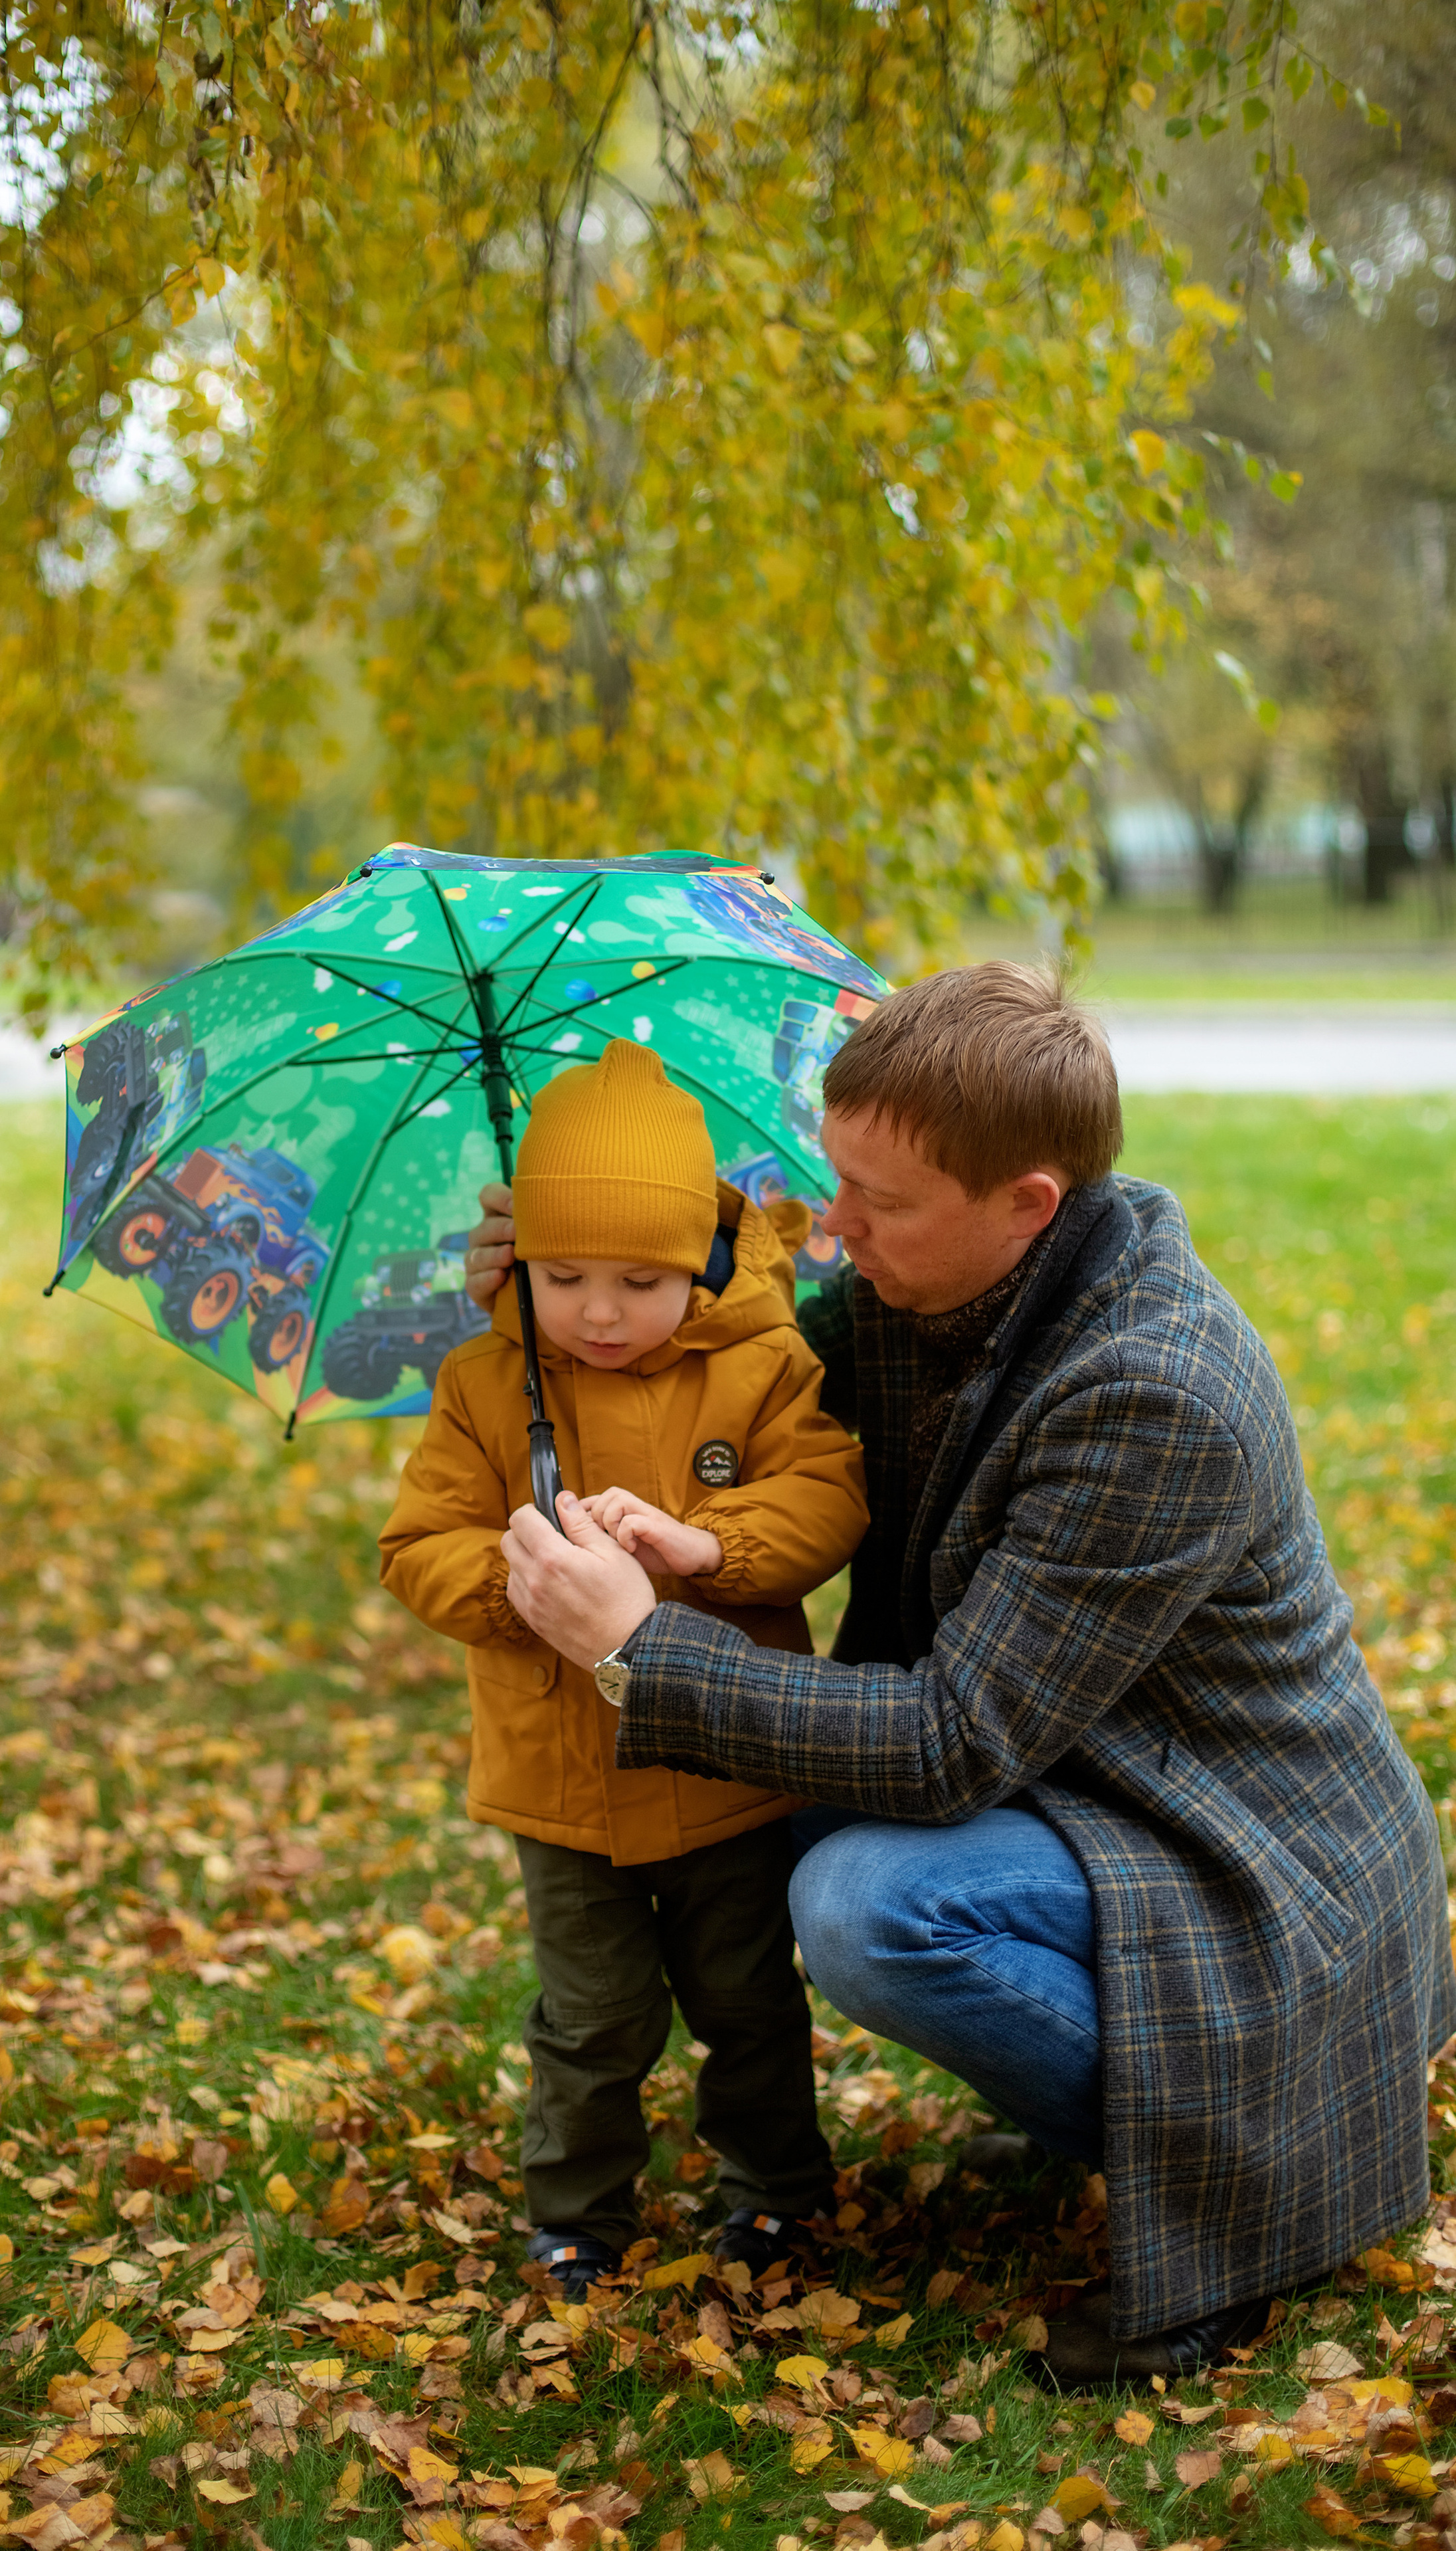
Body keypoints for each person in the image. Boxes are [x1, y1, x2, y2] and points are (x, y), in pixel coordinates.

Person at [468, 965, 1456, 2384]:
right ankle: (1105, 2105)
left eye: (880, 1202)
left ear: (1027, 1204)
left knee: (864, 1903)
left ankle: (1233, 2157)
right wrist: (562, 1292)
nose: (833, 1228)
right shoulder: (922, 1285)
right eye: (832, 1179)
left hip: (1247, 1851)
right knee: (771, 1806)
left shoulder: (1149, 1391)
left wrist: (635, 1645)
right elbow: (724, 1385)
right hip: (1079, 1775)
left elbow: (944, 1743)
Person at [379, 1039, 868, 2299]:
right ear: (518, 1259)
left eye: (641, 1280)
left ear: (699, 1260)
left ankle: (773, 2195)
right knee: (592, 2019)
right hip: (565, 1785)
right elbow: (416, 1543)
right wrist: (520, 1585)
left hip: (726, 1773)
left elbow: (826, 1496)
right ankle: (577, 2211)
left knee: (748, 2001)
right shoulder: (490, 1383)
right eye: (566, 1275)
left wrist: (707, 1546)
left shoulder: (761, 1366)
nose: (600, 1311)